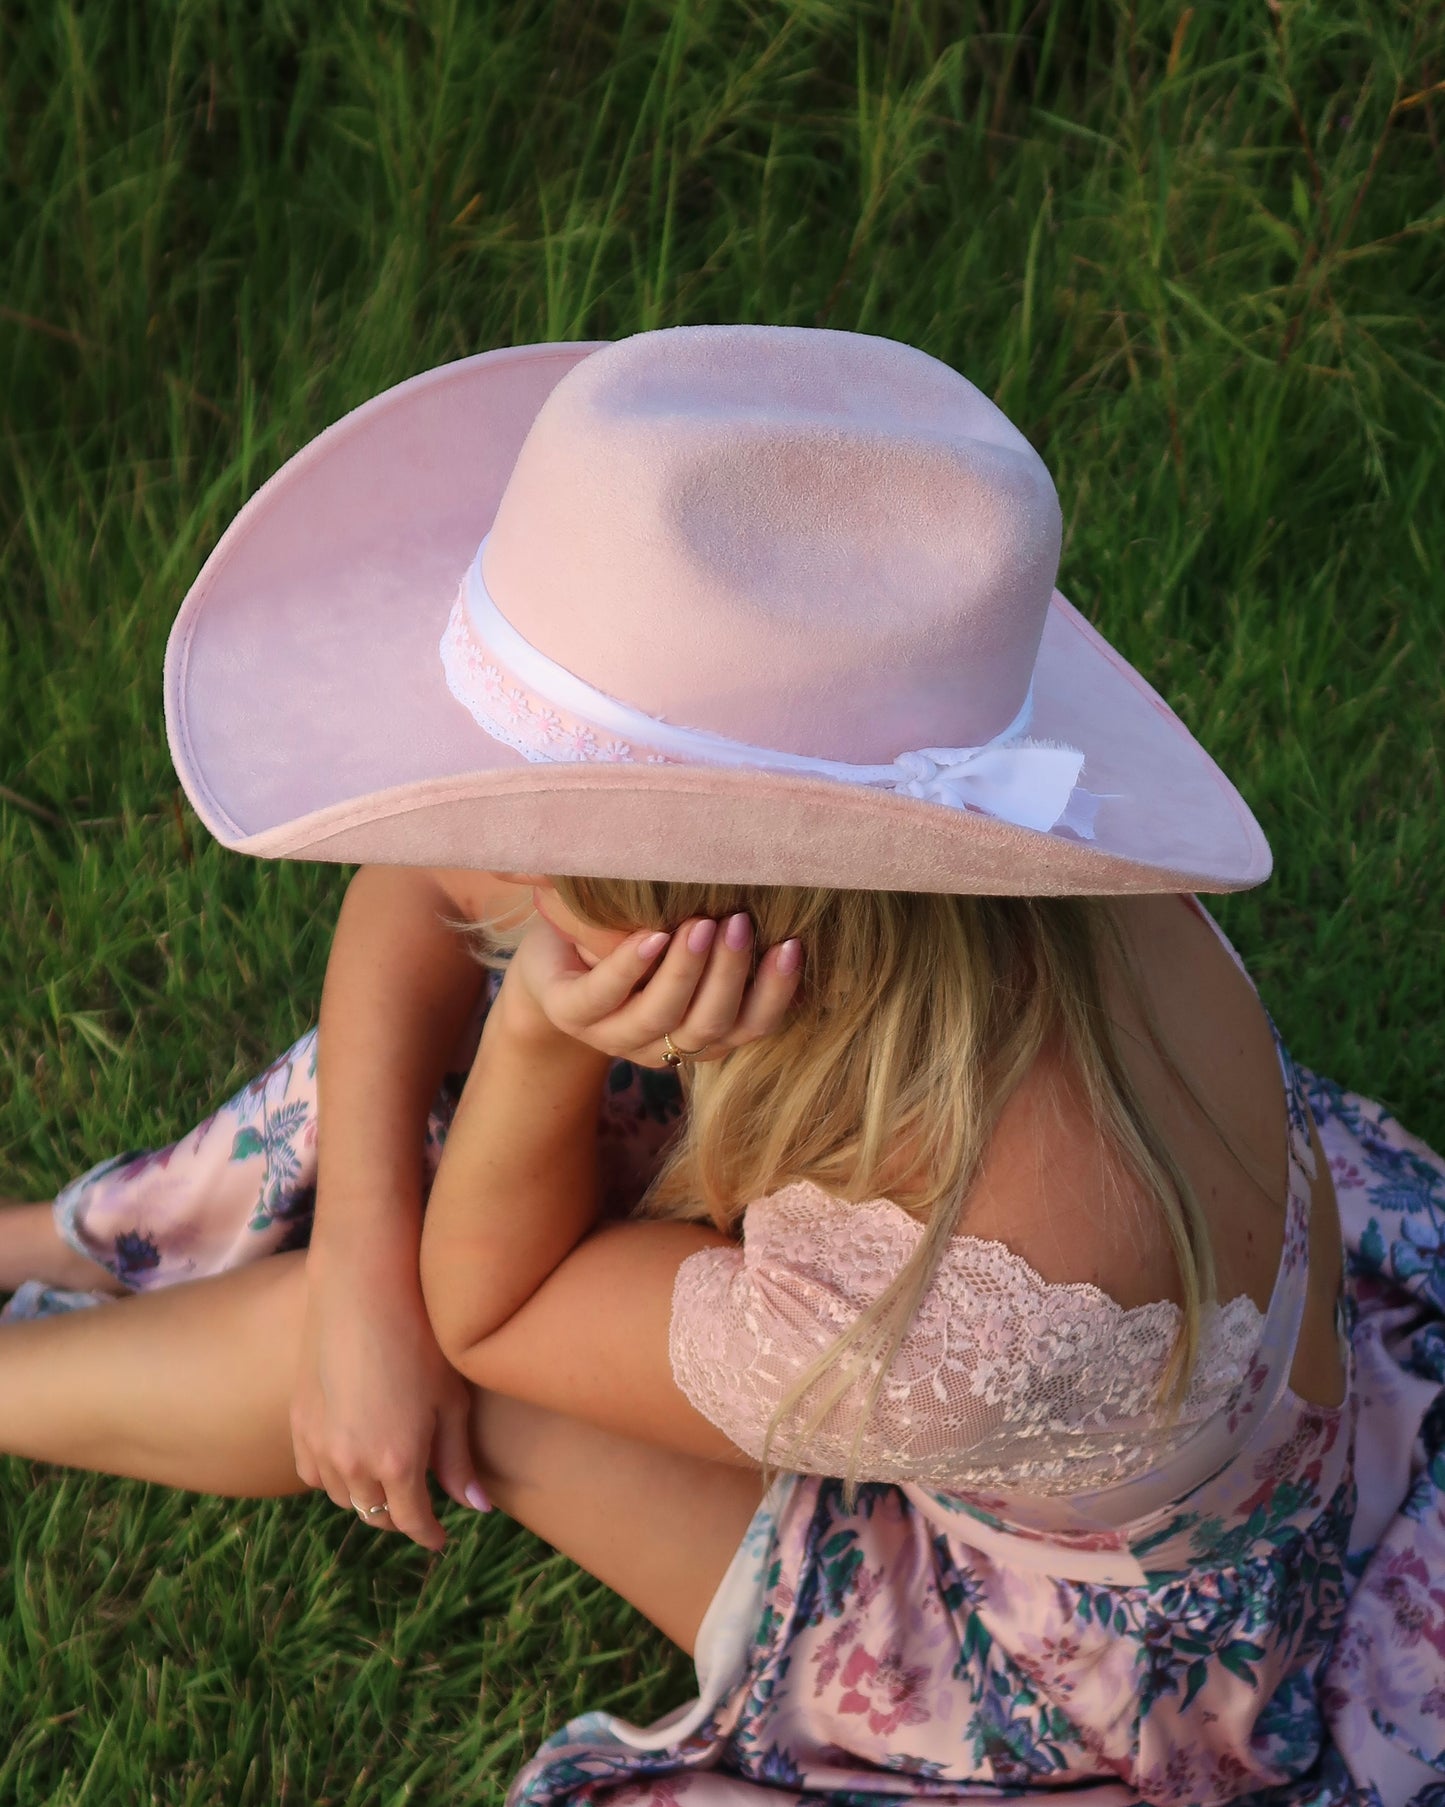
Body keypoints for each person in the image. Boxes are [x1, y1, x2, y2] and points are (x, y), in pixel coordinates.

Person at [2, 324, 1442, 1806]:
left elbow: (487, 1312)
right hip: (1132, 1343)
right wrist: (374, 1234)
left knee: (449, 1330)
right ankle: (63, 1242)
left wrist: (528, 1045)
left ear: (728, 901)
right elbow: (430, 880)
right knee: (428, 1140)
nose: (487, 851)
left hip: (1062, 1641)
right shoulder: (987, 889)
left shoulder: (976, 1310)